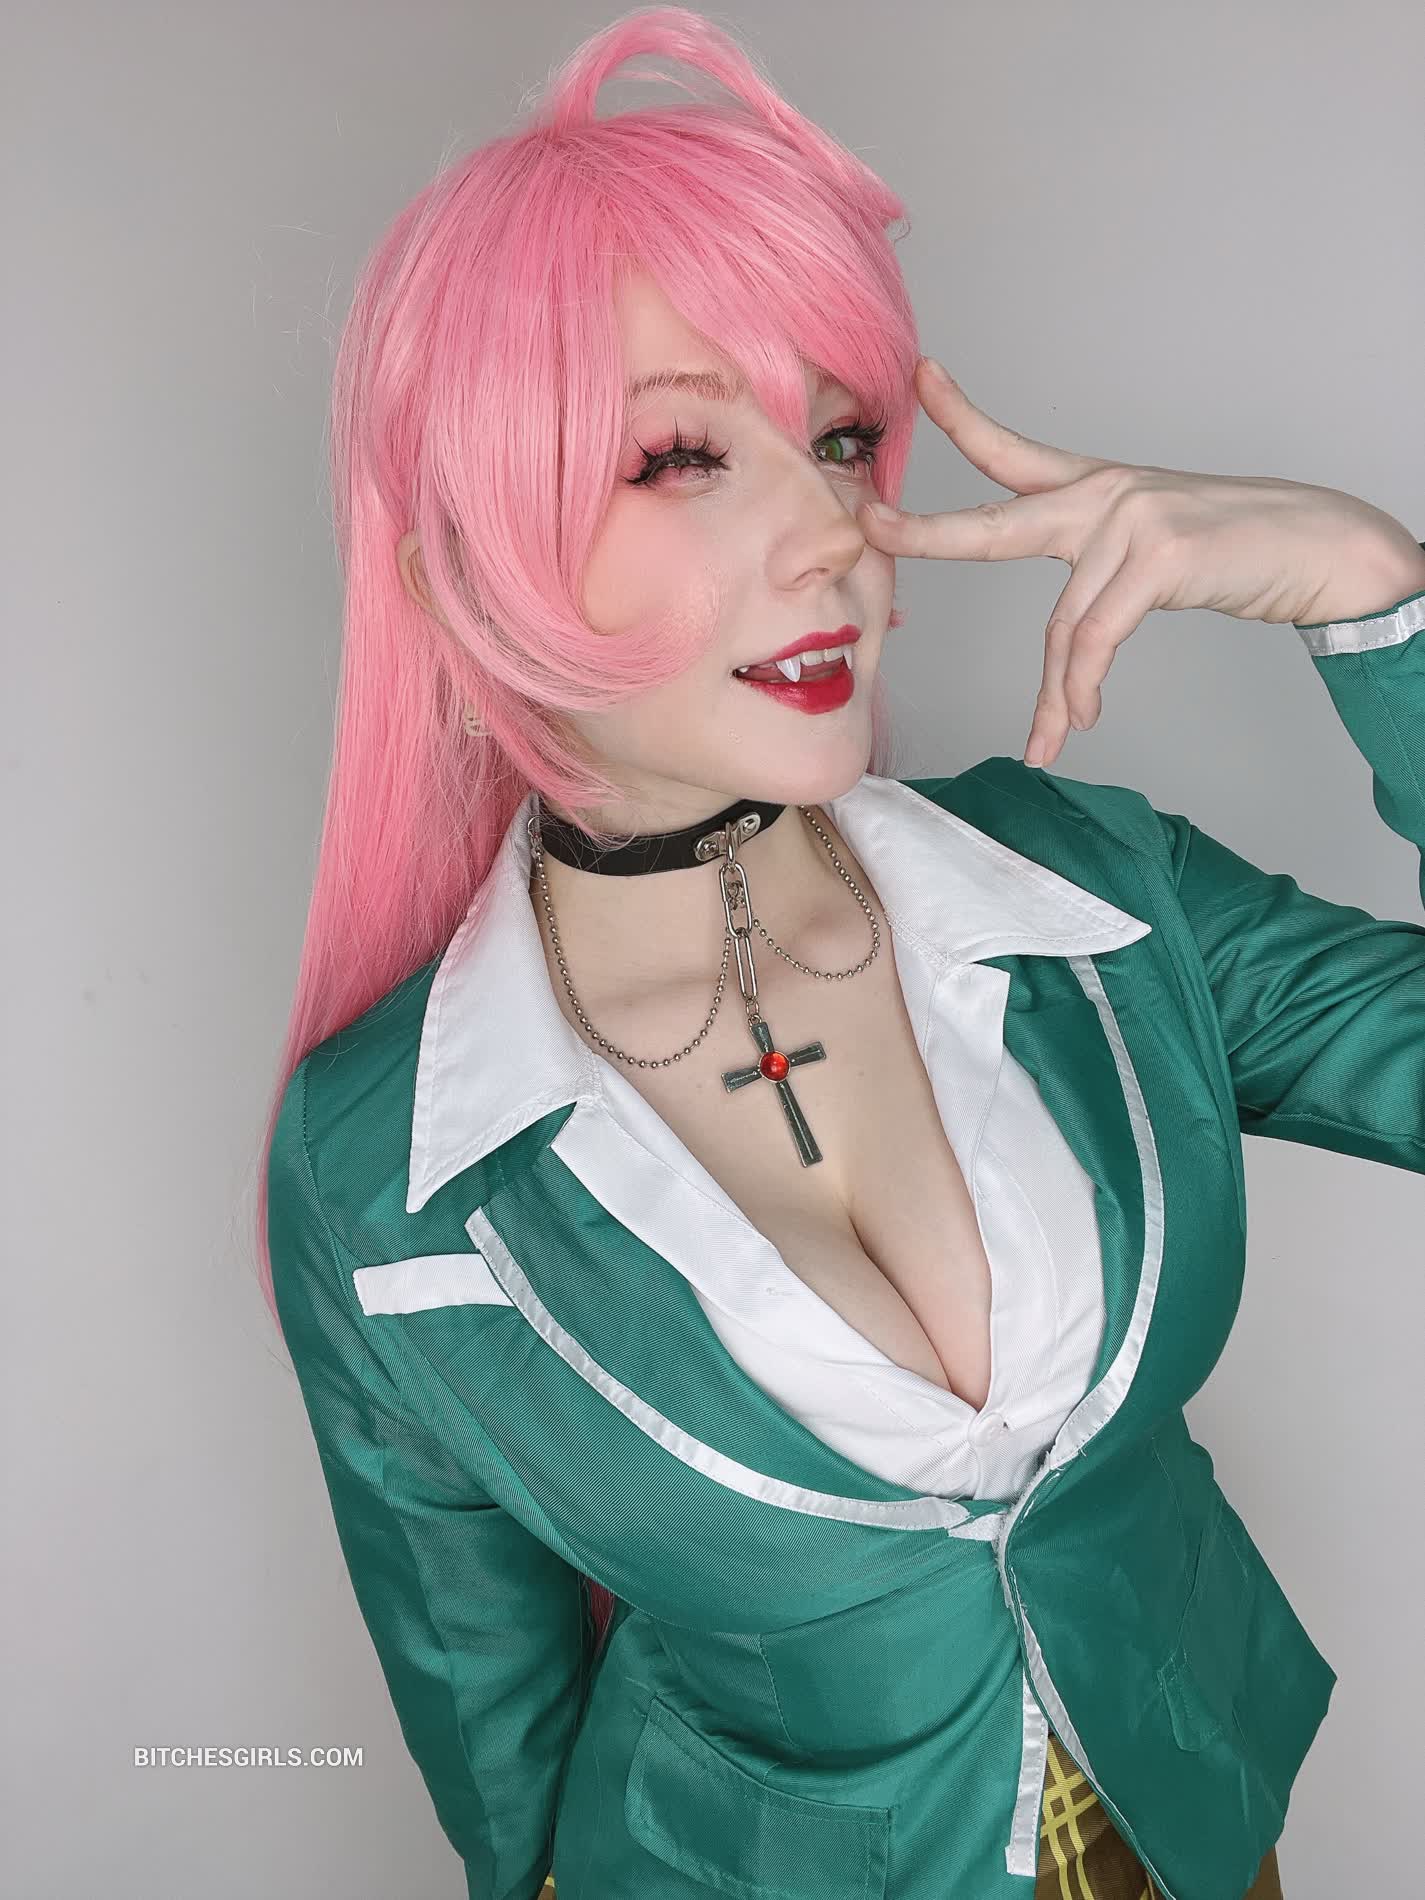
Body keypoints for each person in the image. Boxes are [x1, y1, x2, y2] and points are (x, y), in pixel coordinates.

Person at [256, 9, 1425, 1898]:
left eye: (840, 437)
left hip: (1197, 1824)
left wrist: (1376, 598)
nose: (831, 532)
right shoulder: (373, 1169)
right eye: (677, 456)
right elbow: (490, 1717)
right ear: (461, 574)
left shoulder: (1095, 891)